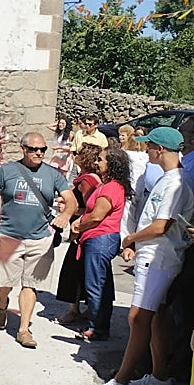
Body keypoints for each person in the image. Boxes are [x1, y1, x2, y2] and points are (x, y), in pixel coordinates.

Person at [91, 127, 194, 385]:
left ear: (160, 150)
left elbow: (161, 226)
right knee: (156, 316)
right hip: (155, 255)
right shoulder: (170, 179)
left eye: (150, 147)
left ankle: (121, 381)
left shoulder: (176, 184)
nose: (146, 150)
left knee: (138, 317)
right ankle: (160, 377)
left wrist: (130, 240)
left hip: (160, 257)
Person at [0, 132, 77, 349]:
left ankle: (24, 329)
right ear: (23, 149)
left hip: (40, 238)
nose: (39, 153)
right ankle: (2, 304)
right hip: (9, 236)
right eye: (34, 149)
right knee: (3, 283)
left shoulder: (53, 175)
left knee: (30, 284)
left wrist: (65, 216)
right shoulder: (7, 171)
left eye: (42, 150)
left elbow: (72, 201)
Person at [74, 146, 131, 342]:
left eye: (101, 160)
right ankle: (99, 325)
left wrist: (79, 226)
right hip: (101, 239)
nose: (97, 163)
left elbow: (97, 216)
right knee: (102, 284)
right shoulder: (108, 186)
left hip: (100, 239)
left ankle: (96, 328)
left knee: (95, 285)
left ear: (111, 164)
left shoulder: (111, 188)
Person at [56, 143, 103, 324]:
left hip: (83, 231)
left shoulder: (86, 181)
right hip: (87, 231)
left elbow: (89, 208)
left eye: (77, 153)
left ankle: (73, 310)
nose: (74, 155)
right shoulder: (92, 178)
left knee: (73, 270)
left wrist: (70, 210)